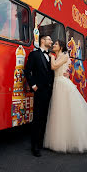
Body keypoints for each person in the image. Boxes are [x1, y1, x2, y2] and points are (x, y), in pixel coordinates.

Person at [44, 39, 87, 153]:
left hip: (63, 85)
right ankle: (58, 141)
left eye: (55, 44)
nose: (53, 45)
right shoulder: (57, 55)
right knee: (58, 113)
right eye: (53, 43)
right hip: (57, 84)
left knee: (66, 112)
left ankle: (69, 142)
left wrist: (52, 57)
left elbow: (54, 67)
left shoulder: (64, 56)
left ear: (61, 47)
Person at [24, 28, 54, 157]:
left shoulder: (51, 55)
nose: (51, 41)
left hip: (49, 91)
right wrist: (34, 86)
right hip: (40, 90)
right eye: (49, 39)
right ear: (42, 40)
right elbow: (27, 71)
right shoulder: (34, 54)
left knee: (45, 118)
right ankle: (34, 146)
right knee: (37, 118)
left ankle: (41, 143)